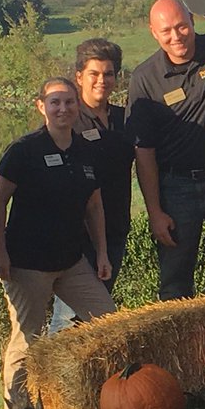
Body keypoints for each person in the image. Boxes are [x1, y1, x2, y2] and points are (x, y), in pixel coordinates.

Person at [0, 77, 116, 409]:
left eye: (69, 102)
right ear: (41, 106)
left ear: (78, 106)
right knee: (26, 340)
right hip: (27, 263)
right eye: (55, 102)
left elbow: (94, 206)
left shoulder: (86, 151)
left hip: (72, 262)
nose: (63, 108)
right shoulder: (23, 150)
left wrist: (101, 253)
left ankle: (88, 395)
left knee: (107, 321)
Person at [126, 0, 205, 299]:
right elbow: (144, 152)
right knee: (175, 275)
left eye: (182, 26)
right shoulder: (145, 78)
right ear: (153, 32)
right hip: (176, 186)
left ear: (193, 21)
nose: (176, 36)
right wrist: (155, 211)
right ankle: (177, 343)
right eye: (166, 30)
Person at [49, 39, 133, 332]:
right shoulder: (67, 117)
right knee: (69, 319)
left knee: (96, 318)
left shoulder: (125, 118)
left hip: (115, 231)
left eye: (108, 74)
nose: (102, 81)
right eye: (94, 74)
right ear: (79, 77)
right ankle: (50, 378)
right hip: (77, 236)